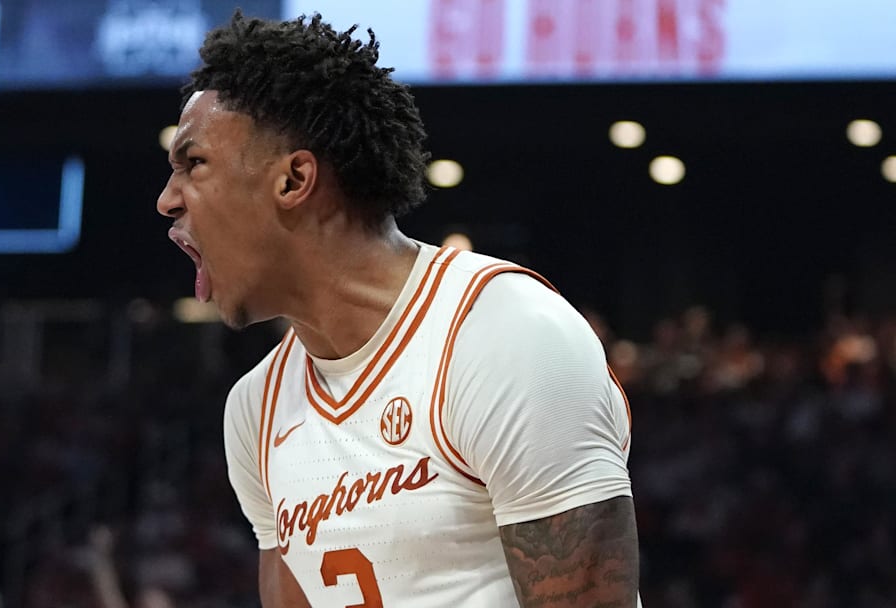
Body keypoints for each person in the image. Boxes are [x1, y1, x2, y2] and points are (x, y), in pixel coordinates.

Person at [156, 11, 640, 607]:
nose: (166, 200)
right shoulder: (254, 411)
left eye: (192, 164)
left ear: (294, 179)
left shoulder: (506, 338)